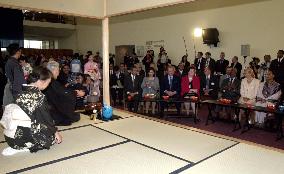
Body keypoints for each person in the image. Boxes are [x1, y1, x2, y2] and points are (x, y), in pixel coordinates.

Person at [0, 67, 62, 156]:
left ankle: (19, 144)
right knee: (52, 138)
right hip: (21, 140)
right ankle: (26, 146)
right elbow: (46, 118)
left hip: (10, 137)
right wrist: (55, 132)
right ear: (41, 81)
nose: (48, 85)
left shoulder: (20, 92)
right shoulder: (38, 96)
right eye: (48, 83)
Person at [45, 61, 80, 126]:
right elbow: (64, 94)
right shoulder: (50, 80)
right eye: (58, 70)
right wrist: (76, 93)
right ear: (55, 70)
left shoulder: (46, 79)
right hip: (53, 113)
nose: (58, 73)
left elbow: (58, 91)